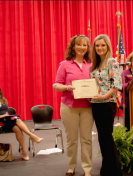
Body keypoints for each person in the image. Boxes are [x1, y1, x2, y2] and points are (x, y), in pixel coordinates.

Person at [53, 35, 94, 176]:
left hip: (87, 107)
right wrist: (66, 87)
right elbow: (56, 85)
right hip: (69, 106)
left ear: (88, 48)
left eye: (85, 45)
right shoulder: (64, 64)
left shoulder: (92, 64)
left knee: (87, 139)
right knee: (72, 139)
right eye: (79, 44)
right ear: (73, 46)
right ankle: (71, 167)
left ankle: (87, 169)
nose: (81, 47)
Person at [90, 34, 123, 176]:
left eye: (103, 45)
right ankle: (106, 170)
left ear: (108, 46)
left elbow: (117, 85)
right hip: (96, 104)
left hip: (107, 104)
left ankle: (115, 172)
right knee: (102, 139)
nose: (100, 48)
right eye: (97, 45)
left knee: (107, 139)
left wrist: (104, 96)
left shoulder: (111, 62)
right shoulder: (96, 64)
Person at [0, 93, 43, 161]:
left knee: (17, 128)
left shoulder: (3, 100)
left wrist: (6, 115)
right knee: (16, 118)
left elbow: (5, 111)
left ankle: (24, 150)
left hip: (5, 121)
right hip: (0, 123)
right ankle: (32, 136)